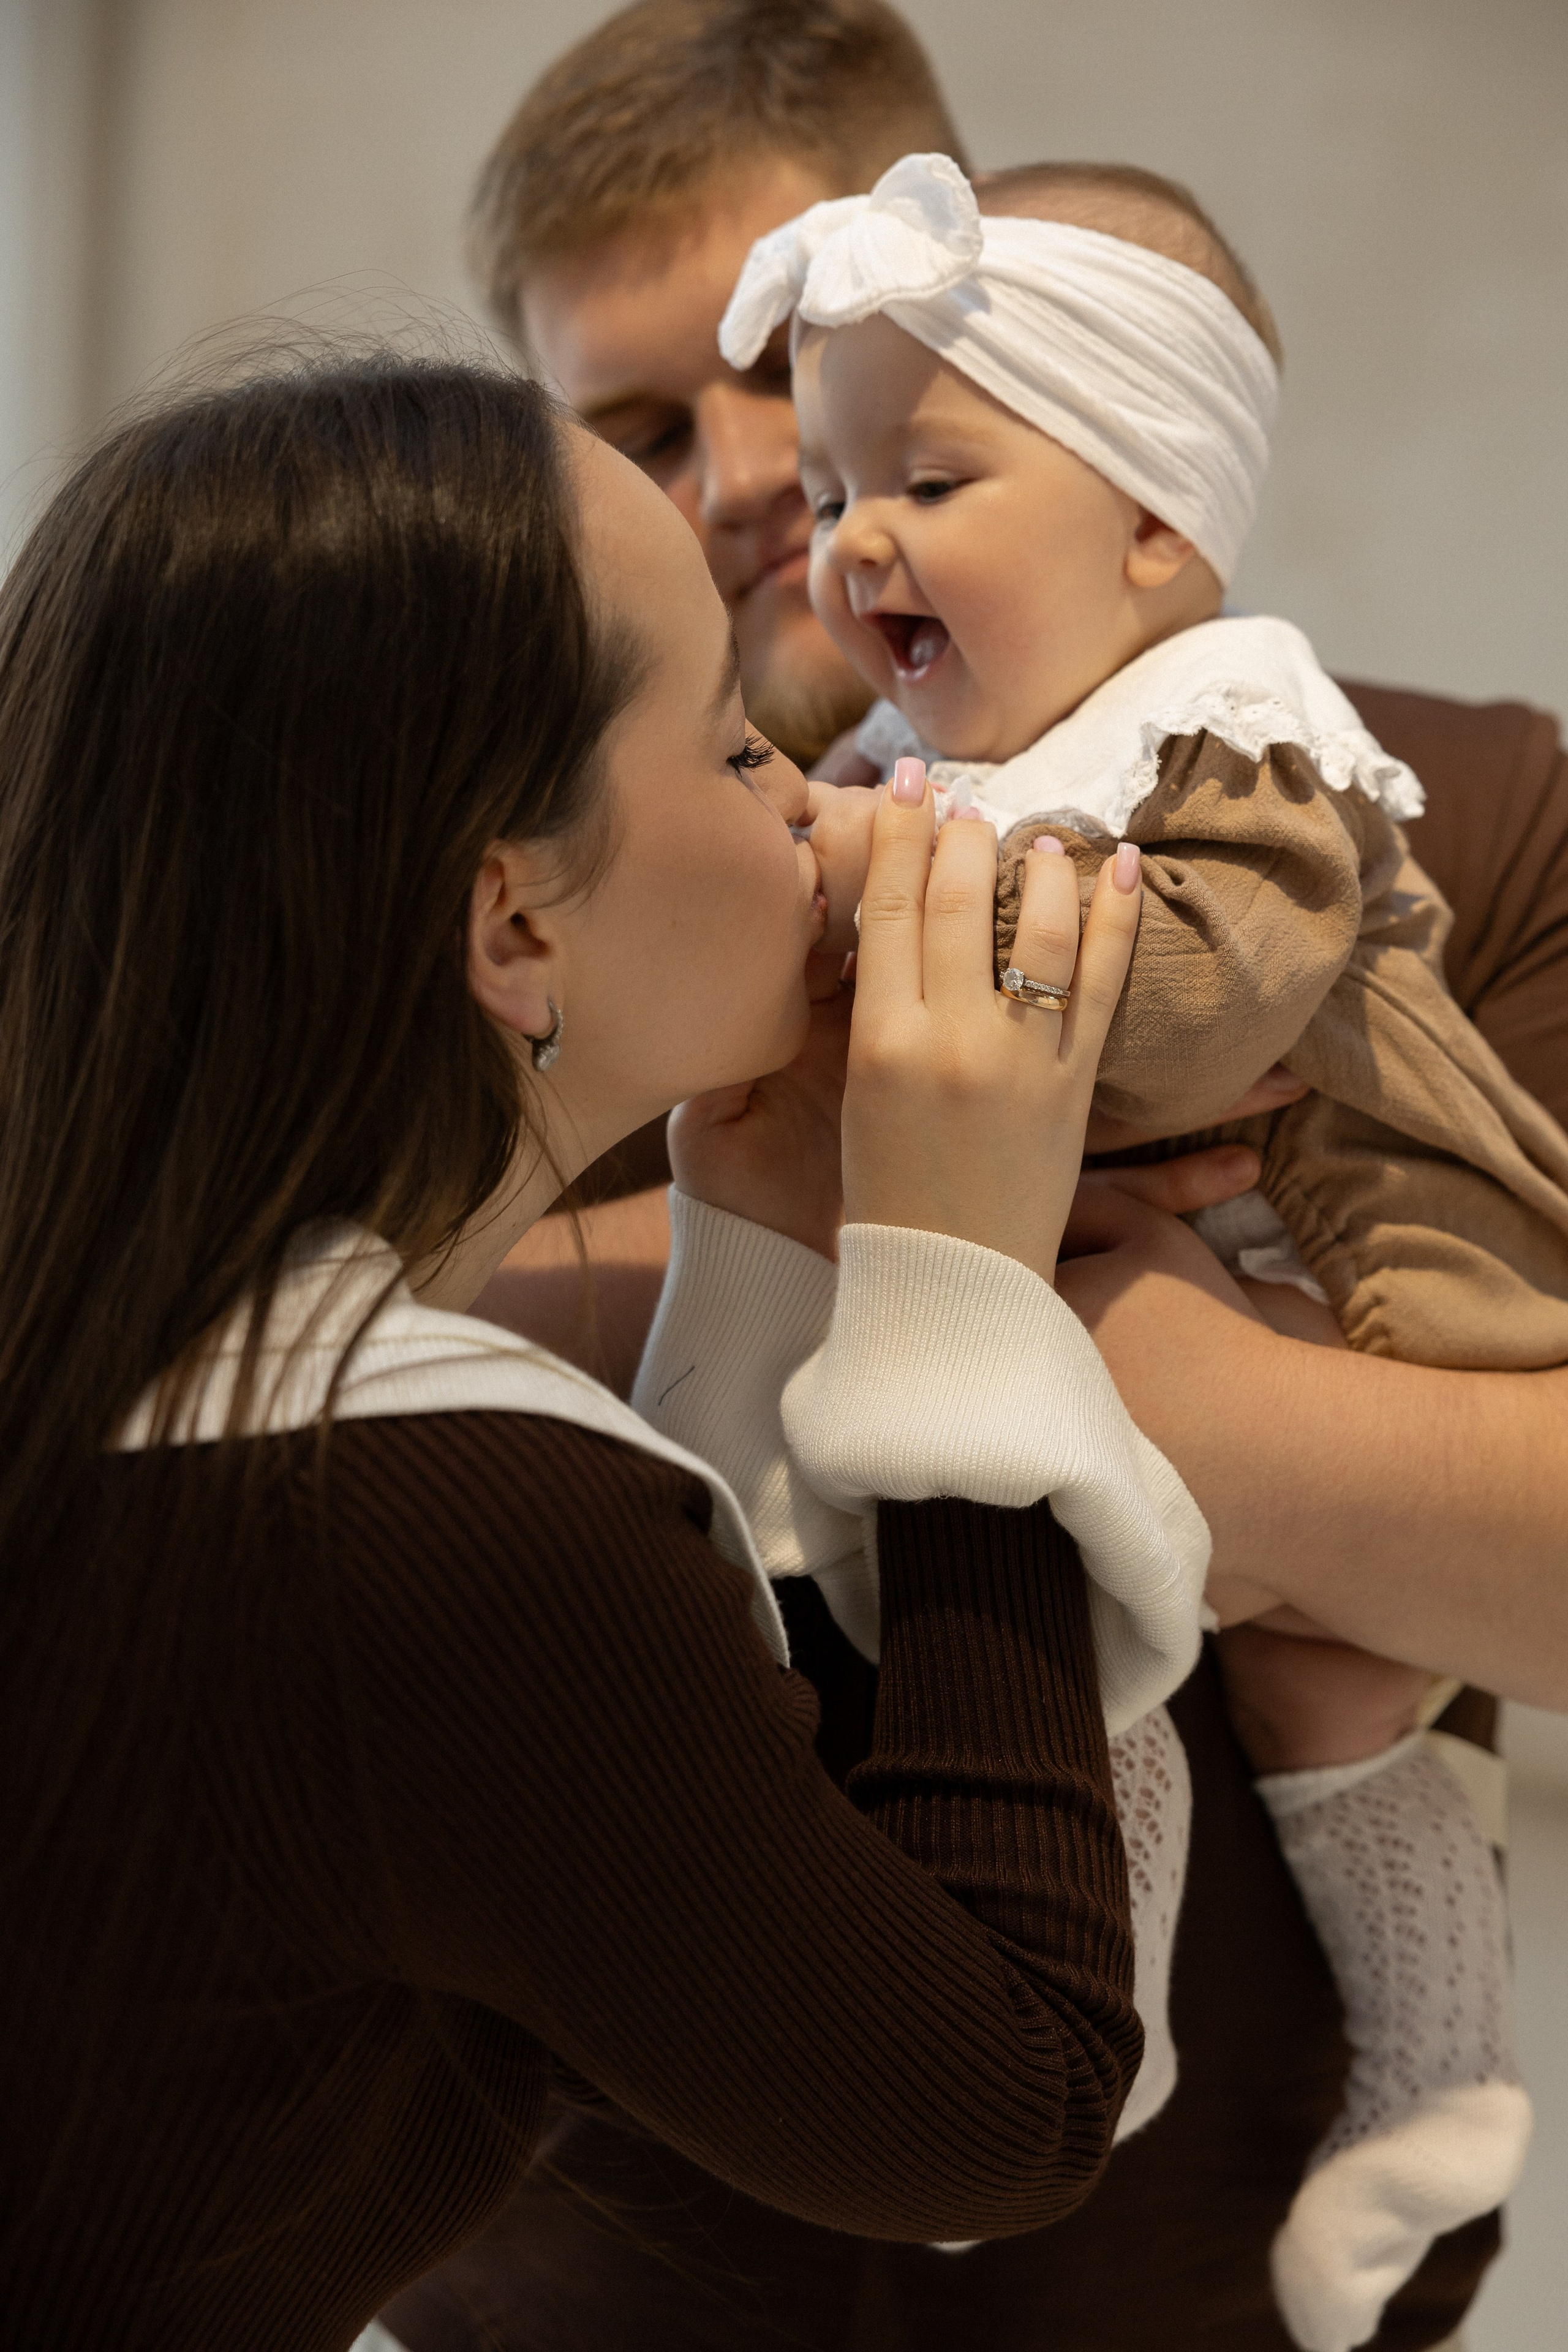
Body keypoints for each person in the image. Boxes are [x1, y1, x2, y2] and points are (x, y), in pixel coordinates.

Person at [386, 6, 1568, 2347]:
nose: (764, 486)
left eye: (799, 385)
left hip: (1212, 2266)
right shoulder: (474, 884)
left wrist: (1099, 1354)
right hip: (588, 2246)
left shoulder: (1433, 814)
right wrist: (912, 1259)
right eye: (643, 426)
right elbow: (300, 1350)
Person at [0, 350, 1200, 2348]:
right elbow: (1004, 2104)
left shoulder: (155, 1383)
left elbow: (678, 1805)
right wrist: (960, 1281)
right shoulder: (410, 1522)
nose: (813, 801)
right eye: (733, 747)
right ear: (512, 925)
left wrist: (766, 1249)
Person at [723, 145, 1558, 2350]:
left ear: (1158, 525)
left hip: (1370, 1296)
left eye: (928, 480)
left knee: (1303, 1678)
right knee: (1129, 1657)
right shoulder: (914, 759)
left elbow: (1201, 1006)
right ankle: (1123, 2029)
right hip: (1126, 1342)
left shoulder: (1240, 743)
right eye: (836, 490)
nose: (850, 540)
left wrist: (892, 910)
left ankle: (1428, 2068)